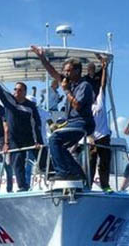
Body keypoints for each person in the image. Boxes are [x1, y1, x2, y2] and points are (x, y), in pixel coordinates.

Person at [31, 45, 94, 182]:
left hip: (82, 122)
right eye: (64, 71)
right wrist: (42, 57)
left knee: (54, 139)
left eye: (68, 71)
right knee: (59, 147)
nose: (65, 74)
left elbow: (77, 106)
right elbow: (53, 73)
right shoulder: (69, 83)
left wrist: (66, 91)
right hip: (72, 122)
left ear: (77, 71)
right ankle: (80, 175)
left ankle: (63, 173)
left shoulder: (85, 86)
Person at [0, 64, 43, 192]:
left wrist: (38, 141)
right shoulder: (9, 101)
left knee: (42, 157)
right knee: (17, 163)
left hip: (29, 138)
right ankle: (22, 187)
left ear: (25, 92)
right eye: (15, 89)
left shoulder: (30, 106)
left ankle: (52, 177)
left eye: (20, 90)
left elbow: (37, 124)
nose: (16, 92)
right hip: (15, 140)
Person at [89, 55, 113, 193]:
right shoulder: (85, 106)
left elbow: (103, 85)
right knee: (91, 163)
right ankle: (88, 185)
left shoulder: (100, 99)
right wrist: (90, 137)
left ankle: (105, 185)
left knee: (104, 162)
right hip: (92, 138)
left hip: (103, 136)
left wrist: (104, 68)